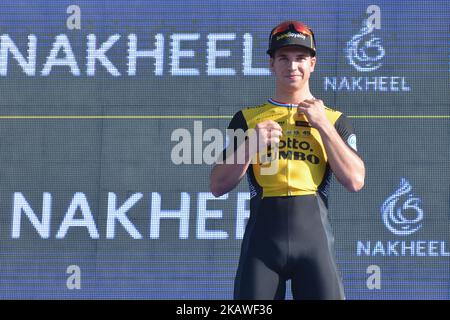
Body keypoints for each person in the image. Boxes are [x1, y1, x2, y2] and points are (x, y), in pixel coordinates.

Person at [209, 20, 365, 300]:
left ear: (313, 63)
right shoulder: (247, 119)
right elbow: (218, 185)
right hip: (263, 246)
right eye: (283, 58)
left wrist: (323, 127)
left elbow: (355, 180)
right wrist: (251, 143)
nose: (292, 66)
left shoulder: (334, 119)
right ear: (271, 64)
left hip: (314, 243)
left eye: (300, 58)